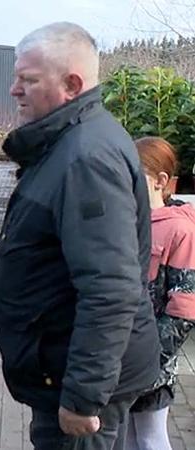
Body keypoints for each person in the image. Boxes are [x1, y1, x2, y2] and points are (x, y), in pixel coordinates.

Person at [0, 22, 161, 450]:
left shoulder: (86, 159)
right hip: (64, 370)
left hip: (79, 386)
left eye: (27, 80)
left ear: (71, 84)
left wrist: (84, 397)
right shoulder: (68, 144)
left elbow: (111, 289)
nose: (14, 90)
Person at [125, 137, 195, 450]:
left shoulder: (180, 230)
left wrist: (152, 359)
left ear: (160, 181)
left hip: (152, 361)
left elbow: (184, 308)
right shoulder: (126, 222)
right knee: (126, 437)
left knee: (151, 437)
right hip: (120, 357)